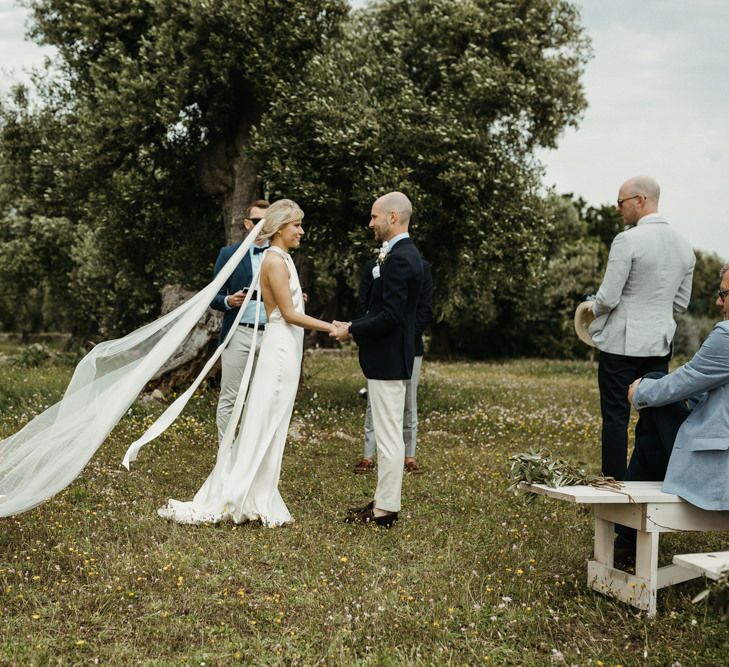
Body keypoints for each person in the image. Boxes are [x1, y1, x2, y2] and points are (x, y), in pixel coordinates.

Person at [157, 199, 336, 526]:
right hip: (279, 347)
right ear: (281, 227)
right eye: (296, 225)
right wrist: (333, 326)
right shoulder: (275, 261)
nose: (301, 230)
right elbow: (290, 315)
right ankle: (246, 494)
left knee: (269, 420)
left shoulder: (280, 258)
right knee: (264, 420)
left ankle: (259, 493)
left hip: (281, 345)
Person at [613, 264, 729, 564]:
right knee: (654, 422)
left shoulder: (727, 335)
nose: (718, 302)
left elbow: (686, 380)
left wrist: (639, 392)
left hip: (720, 470)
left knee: (654, 392)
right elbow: (705, 387)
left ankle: (625, 540)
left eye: (724, 294)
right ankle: (625, 541)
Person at [587, 176, 695, 480]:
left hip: (620, 345)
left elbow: (607, 298)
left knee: (615, 421)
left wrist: (589, 309)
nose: (618, 208)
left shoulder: (627, 240)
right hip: (659, 344)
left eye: (620, 202)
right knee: (653, 419)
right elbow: (680, 305)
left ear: (640, 200)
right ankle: (650, 491)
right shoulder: (685, 246)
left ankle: (613, 498)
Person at [333, 191, 424, 527]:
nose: (369, 222)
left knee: (387, 436)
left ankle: (386, 510)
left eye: (374, 216)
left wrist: (352, 328)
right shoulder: (398, 254)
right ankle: (384, 502)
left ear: (392, 217)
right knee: (388, 434)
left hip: (388, 358)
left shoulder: (402, 258)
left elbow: (390, 315)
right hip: (386, 358)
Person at [353, 259, 432, 475]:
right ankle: (368, 455)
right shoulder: (372, 266)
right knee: (373, 400)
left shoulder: (421, 267)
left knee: (409, 400)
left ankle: (410, 455)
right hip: (379, 344)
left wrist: (404, 337)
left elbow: (424, 309)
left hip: (409, 345)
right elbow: (364, 304)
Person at [211, 200, 270, 443]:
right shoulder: (229, 254)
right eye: (258, 222)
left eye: (268, 222)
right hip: (238, 332)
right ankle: (226, 449)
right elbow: (213, 296)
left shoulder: (280, 255)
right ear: (247, 224)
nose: (263, 227)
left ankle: (250, 450)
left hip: (270, 334)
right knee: (230, 395)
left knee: (261, 396)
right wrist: (228, 301)